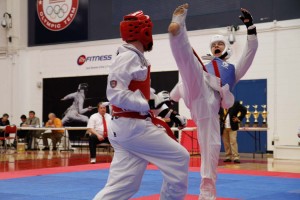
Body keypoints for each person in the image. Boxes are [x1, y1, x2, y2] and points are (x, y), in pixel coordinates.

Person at [94, 10, 190, 200]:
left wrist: (168, 113)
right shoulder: (128, 56)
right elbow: (115, 94)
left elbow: (145, 94)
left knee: (123, 186)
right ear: (144, 32)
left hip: (125, 129)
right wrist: (149, 103)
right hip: (133, 127)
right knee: (179, 157)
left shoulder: (135, 57)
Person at [168, 4, 258, 199]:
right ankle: (177, 28)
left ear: (226, 48)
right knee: (188, 64)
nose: (216, 47)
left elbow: (249, 55)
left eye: (220, 44)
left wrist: (251, 29)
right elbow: (186, 80)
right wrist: (173, 96)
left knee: (210, 149)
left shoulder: (232, 69)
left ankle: (207, 193)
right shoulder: (204, 66)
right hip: (196, 91)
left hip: (210, 103)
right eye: (213, 45)